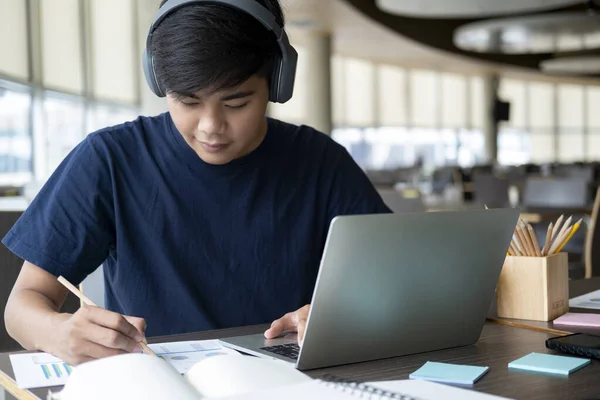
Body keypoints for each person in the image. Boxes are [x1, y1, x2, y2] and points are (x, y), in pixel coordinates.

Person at [3, 0, 390, 366]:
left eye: (236, 103)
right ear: (160, 82)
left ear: (277, 81)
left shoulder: (321, 162)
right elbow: (22, 306)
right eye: (187, 102)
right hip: (157, 382)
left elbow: (394, 288)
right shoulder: (109, 159)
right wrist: (58, 331)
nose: (210, 128)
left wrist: (341, 315)